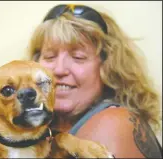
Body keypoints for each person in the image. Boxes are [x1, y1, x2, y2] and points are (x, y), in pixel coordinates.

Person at [26, 4, 162, 158]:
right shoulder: (44, 129)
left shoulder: (112, 125)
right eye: (50, 56)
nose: (59, 69)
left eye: (78, 57)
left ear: (107, 67)